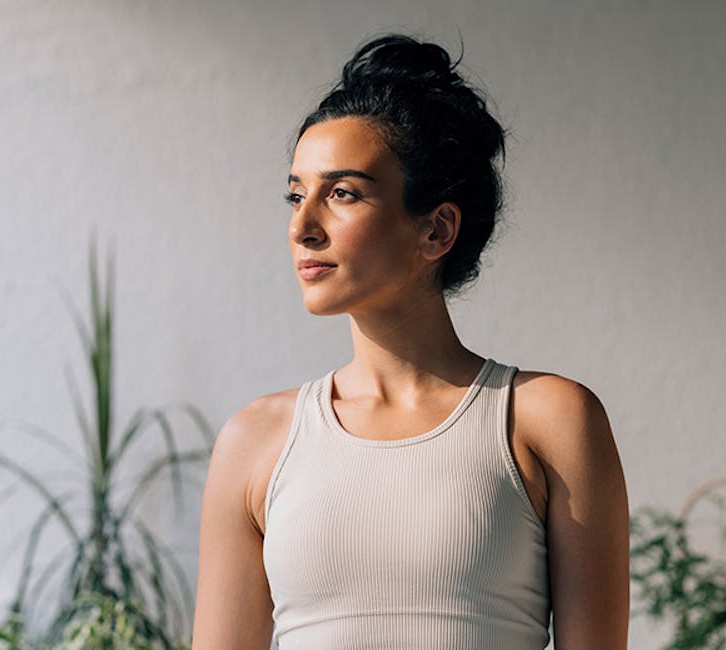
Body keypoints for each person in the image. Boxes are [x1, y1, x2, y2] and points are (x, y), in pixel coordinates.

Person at [192, 33, 629, 649]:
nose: (301, 226)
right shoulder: (255, 442)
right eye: (296, 194)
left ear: (437, 228)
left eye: (341, 193)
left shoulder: (548, 421)